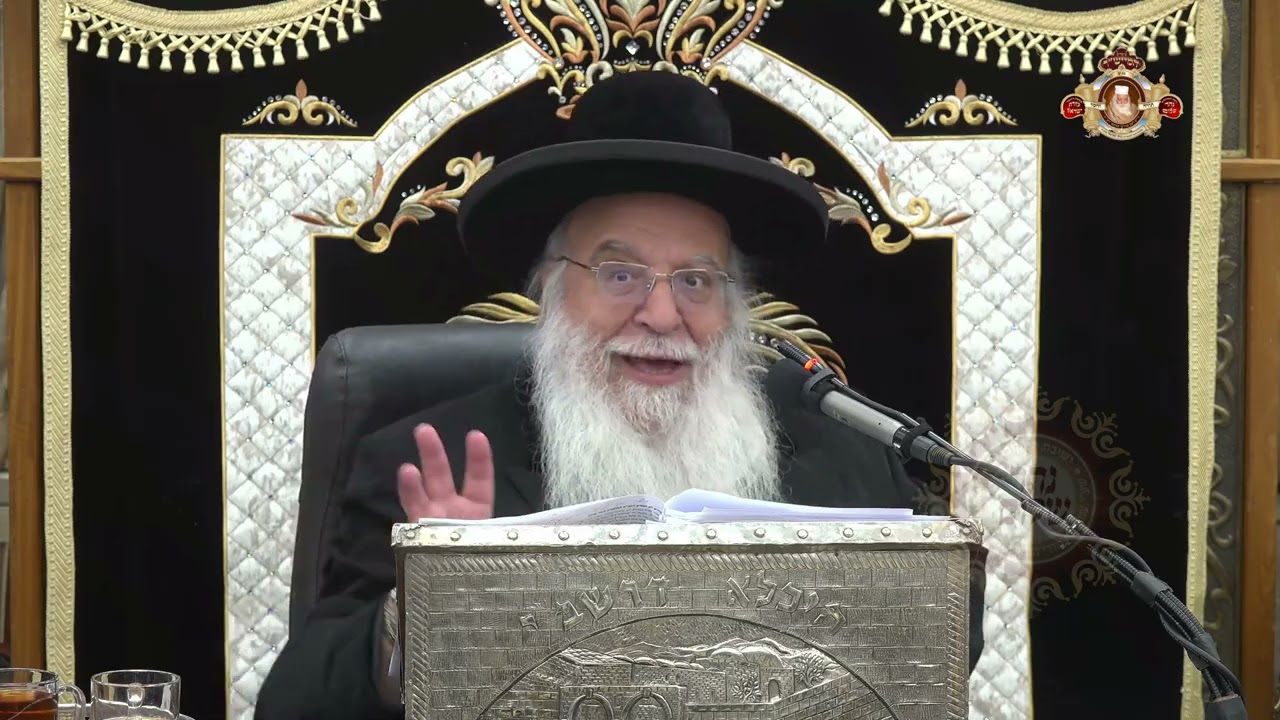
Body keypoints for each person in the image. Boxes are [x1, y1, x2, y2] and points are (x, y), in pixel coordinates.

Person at [255, 71, 985, 720]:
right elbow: (296, 702)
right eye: (620, 275)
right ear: (551, 288)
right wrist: (418, 612)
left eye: (696, 281)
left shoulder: (847, 462)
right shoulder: (427, 463)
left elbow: (929, 660)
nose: (662, 316)